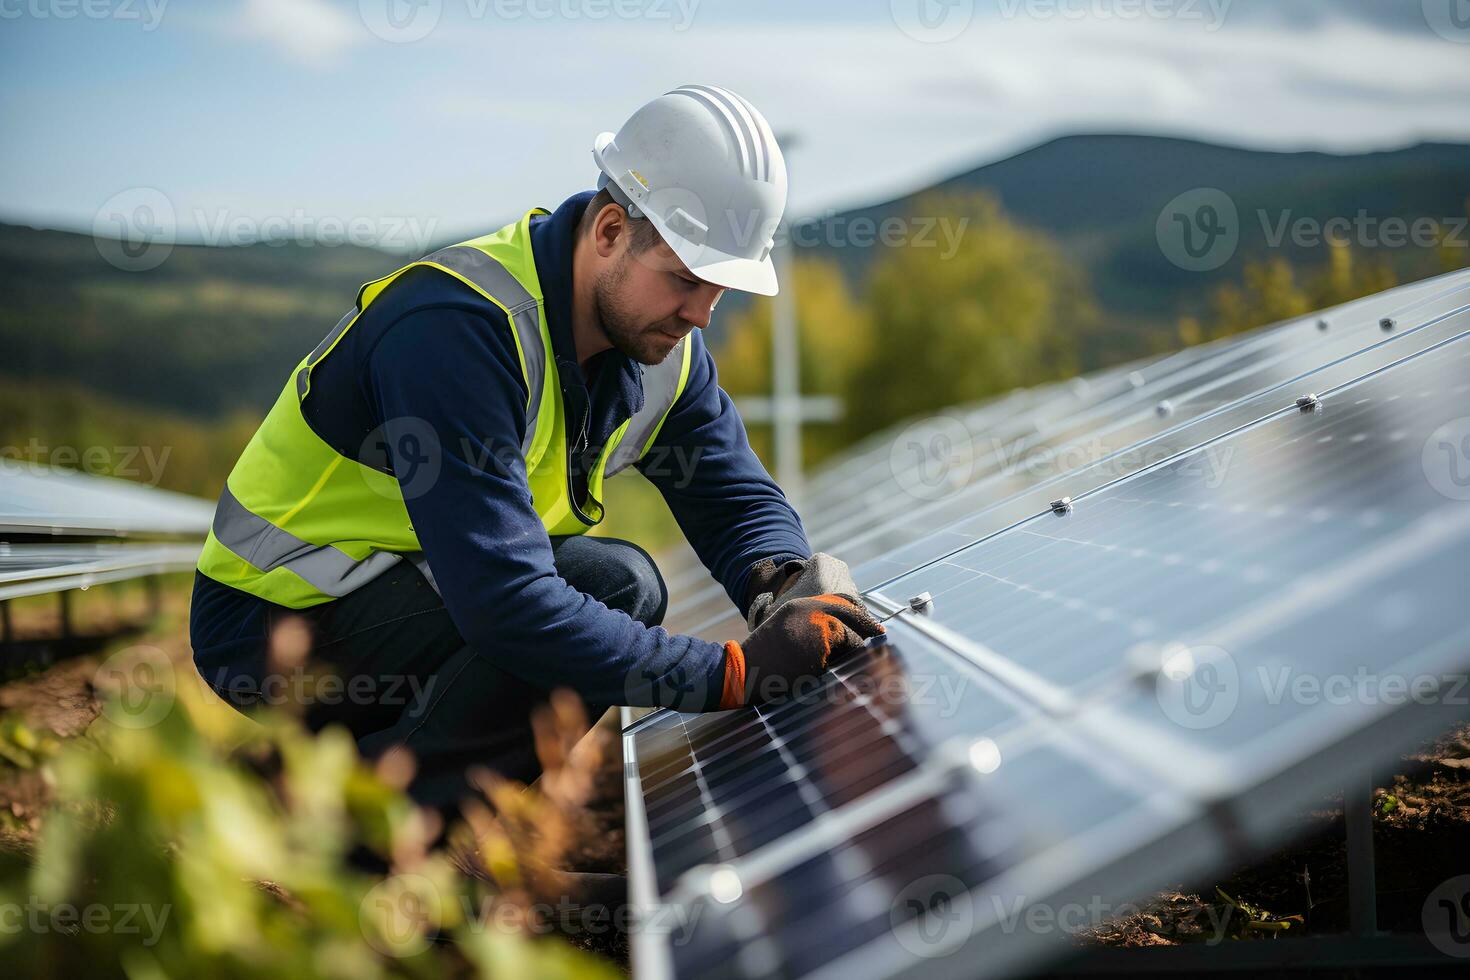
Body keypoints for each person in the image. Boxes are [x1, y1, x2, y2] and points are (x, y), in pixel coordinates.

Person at [188, 84, 882, 819]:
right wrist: (733, 672)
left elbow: (732, 496)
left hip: (393, 598)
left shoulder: (661, 347)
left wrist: (779, 578)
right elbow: (503, 603)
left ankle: (364, 807)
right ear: (611, 230)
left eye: (721, 287)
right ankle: (352, 832)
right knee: (617, 589)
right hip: (271, 622)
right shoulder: (454, 328)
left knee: (617, 588)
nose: (702, 313)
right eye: (685, 278)